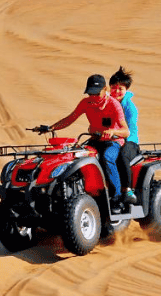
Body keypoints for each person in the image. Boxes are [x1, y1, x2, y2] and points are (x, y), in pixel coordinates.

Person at [49, 74, 129, 204]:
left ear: (105, 89)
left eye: (96, 94)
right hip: (95, 140)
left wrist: (113, 132)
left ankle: (116, 197)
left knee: (107, 157)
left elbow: (126, 131)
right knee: (76, 156)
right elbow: (70, 118)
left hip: (113, 142)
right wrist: (51, 128)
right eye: (90, 93)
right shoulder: (85, 103)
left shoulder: (114, 105)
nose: (93, 97)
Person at [108, 67, 139, 205]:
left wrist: (121, 138)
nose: (117, 91)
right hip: (112, 139)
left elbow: (131, 129)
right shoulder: (107, 103)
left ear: (126, 89)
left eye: (120, 88)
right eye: (113, 87)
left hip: (130, 141)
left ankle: (127, 190)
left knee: (122, 156)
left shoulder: (129, 107)